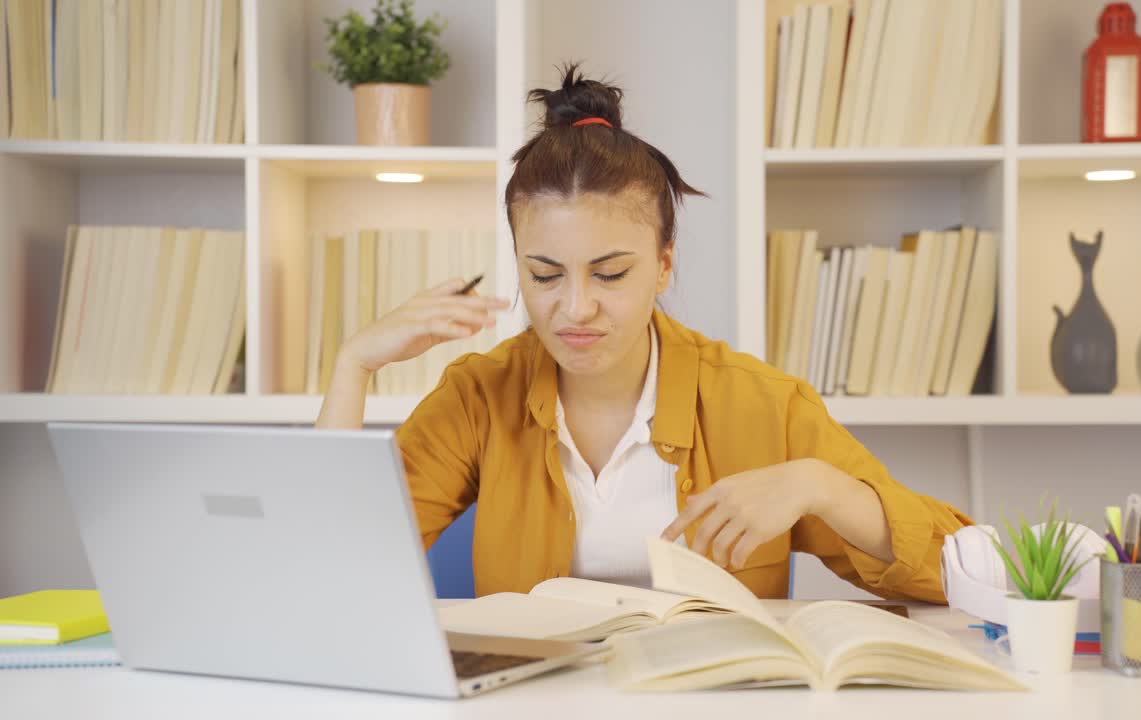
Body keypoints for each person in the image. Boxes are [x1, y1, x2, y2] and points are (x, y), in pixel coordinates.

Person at [317, 64, 971, 602]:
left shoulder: (762, 405)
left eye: (609, 274)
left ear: (663, 264)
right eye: (544, 275)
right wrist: (353, 367)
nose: (575, 308)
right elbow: (329, 574)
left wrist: (818, 486)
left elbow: (949, 569)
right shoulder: (479, 396)